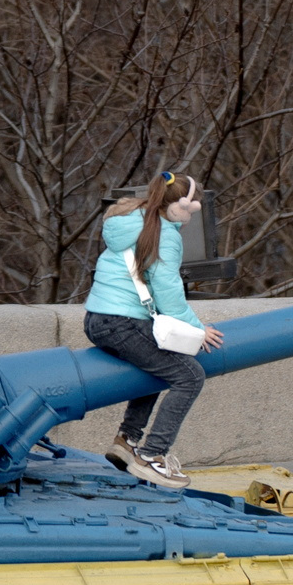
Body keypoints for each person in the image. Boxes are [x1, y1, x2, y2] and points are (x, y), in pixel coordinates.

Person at [84, 173, 218, 487]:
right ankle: (153, 457)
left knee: (159, 365)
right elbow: (169, 295)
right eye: (189, 210)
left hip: (98, 319)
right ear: (176, 207)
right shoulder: (164, 235)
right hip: (124, 323)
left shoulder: (132, 221)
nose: (190, 217)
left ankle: (127, 441)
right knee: (189, 376)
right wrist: (199, 330)